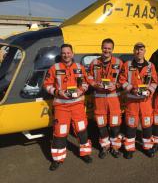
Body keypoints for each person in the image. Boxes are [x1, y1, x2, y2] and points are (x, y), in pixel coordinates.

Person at [43, 43, 92, 171]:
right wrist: (57, 92)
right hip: (61, 106)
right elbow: (47, 85)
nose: (66, 55)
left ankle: (85, 153)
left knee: (82, 130)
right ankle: (58, 159)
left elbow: (86, 83)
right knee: (60, 133)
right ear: (61, 54)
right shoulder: (54, 68)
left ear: (72, 53)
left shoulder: (80, 68)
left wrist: (82, 91)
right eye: (63, 53)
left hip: (77, 105)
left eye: (68, 52)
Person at [119, 42, 158, 159]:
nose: (139, 51)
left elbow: (155, 82)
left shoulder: (151, 66)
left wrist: (150, 91)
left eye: (141, 49)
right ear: (133, 51)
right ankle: (129, 148)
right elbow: (122, 80)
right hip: (132, 102)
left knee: (147, 125)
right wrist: (132, 90)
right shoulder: (127, 65)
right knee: (131, 126)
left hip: (146, 102)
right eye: (136, 49)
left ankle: (148, 147)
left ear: (145, 51)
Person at [87, 38, 123, 158]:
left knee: (115, 126)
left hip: (113, 100)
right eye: (105, 48)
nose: (106, 50)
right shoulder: (94, 62)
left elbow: (123, 79)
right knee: (101, 125)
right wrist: (95, 84)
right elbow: (89, 77)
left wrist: (116, 85)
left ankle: (115, 147)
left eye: (109, 48)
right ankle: (105, 146)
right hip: (99, 100)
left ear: (112, 49)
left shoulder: (119, 62)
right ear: (101, 48)